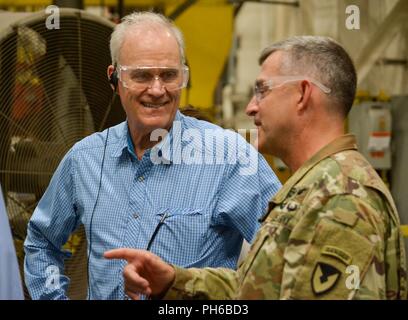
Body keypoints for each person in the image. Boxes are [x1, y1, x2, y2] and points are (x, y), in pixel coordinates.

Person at [105, 36, 407, 300]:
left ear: (302, 94)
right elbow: (262, 286)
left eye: (262, 90)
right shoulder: (312, 189)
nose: (251, 107)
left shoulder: (340, 198)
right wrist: (173, 280)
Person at [23, 12, 281, 300]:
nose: (157, 90)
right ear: (114, 79)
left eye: (169, 75)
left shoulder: (229, 158)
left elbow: (285, 257)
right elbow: (41, 242)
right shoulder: (84, 160)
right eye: (142, 75)